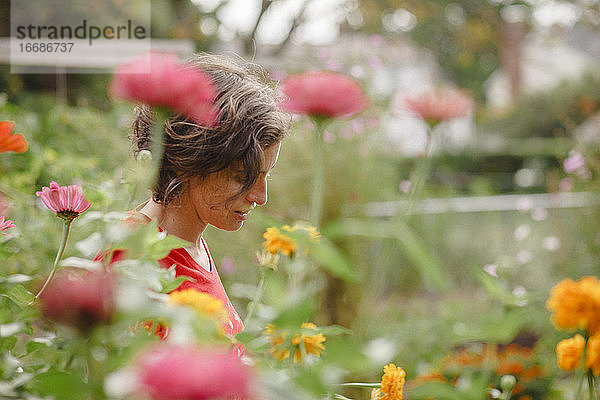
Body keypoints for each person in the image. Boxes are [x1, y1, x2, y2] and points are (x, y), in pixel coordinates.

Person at [126, 53, 289, 340]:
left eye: (267, 174)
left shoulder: (188, 244)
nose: (261, 197)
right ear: (191, 161)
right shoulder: (135, 266)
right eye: (243, 176)